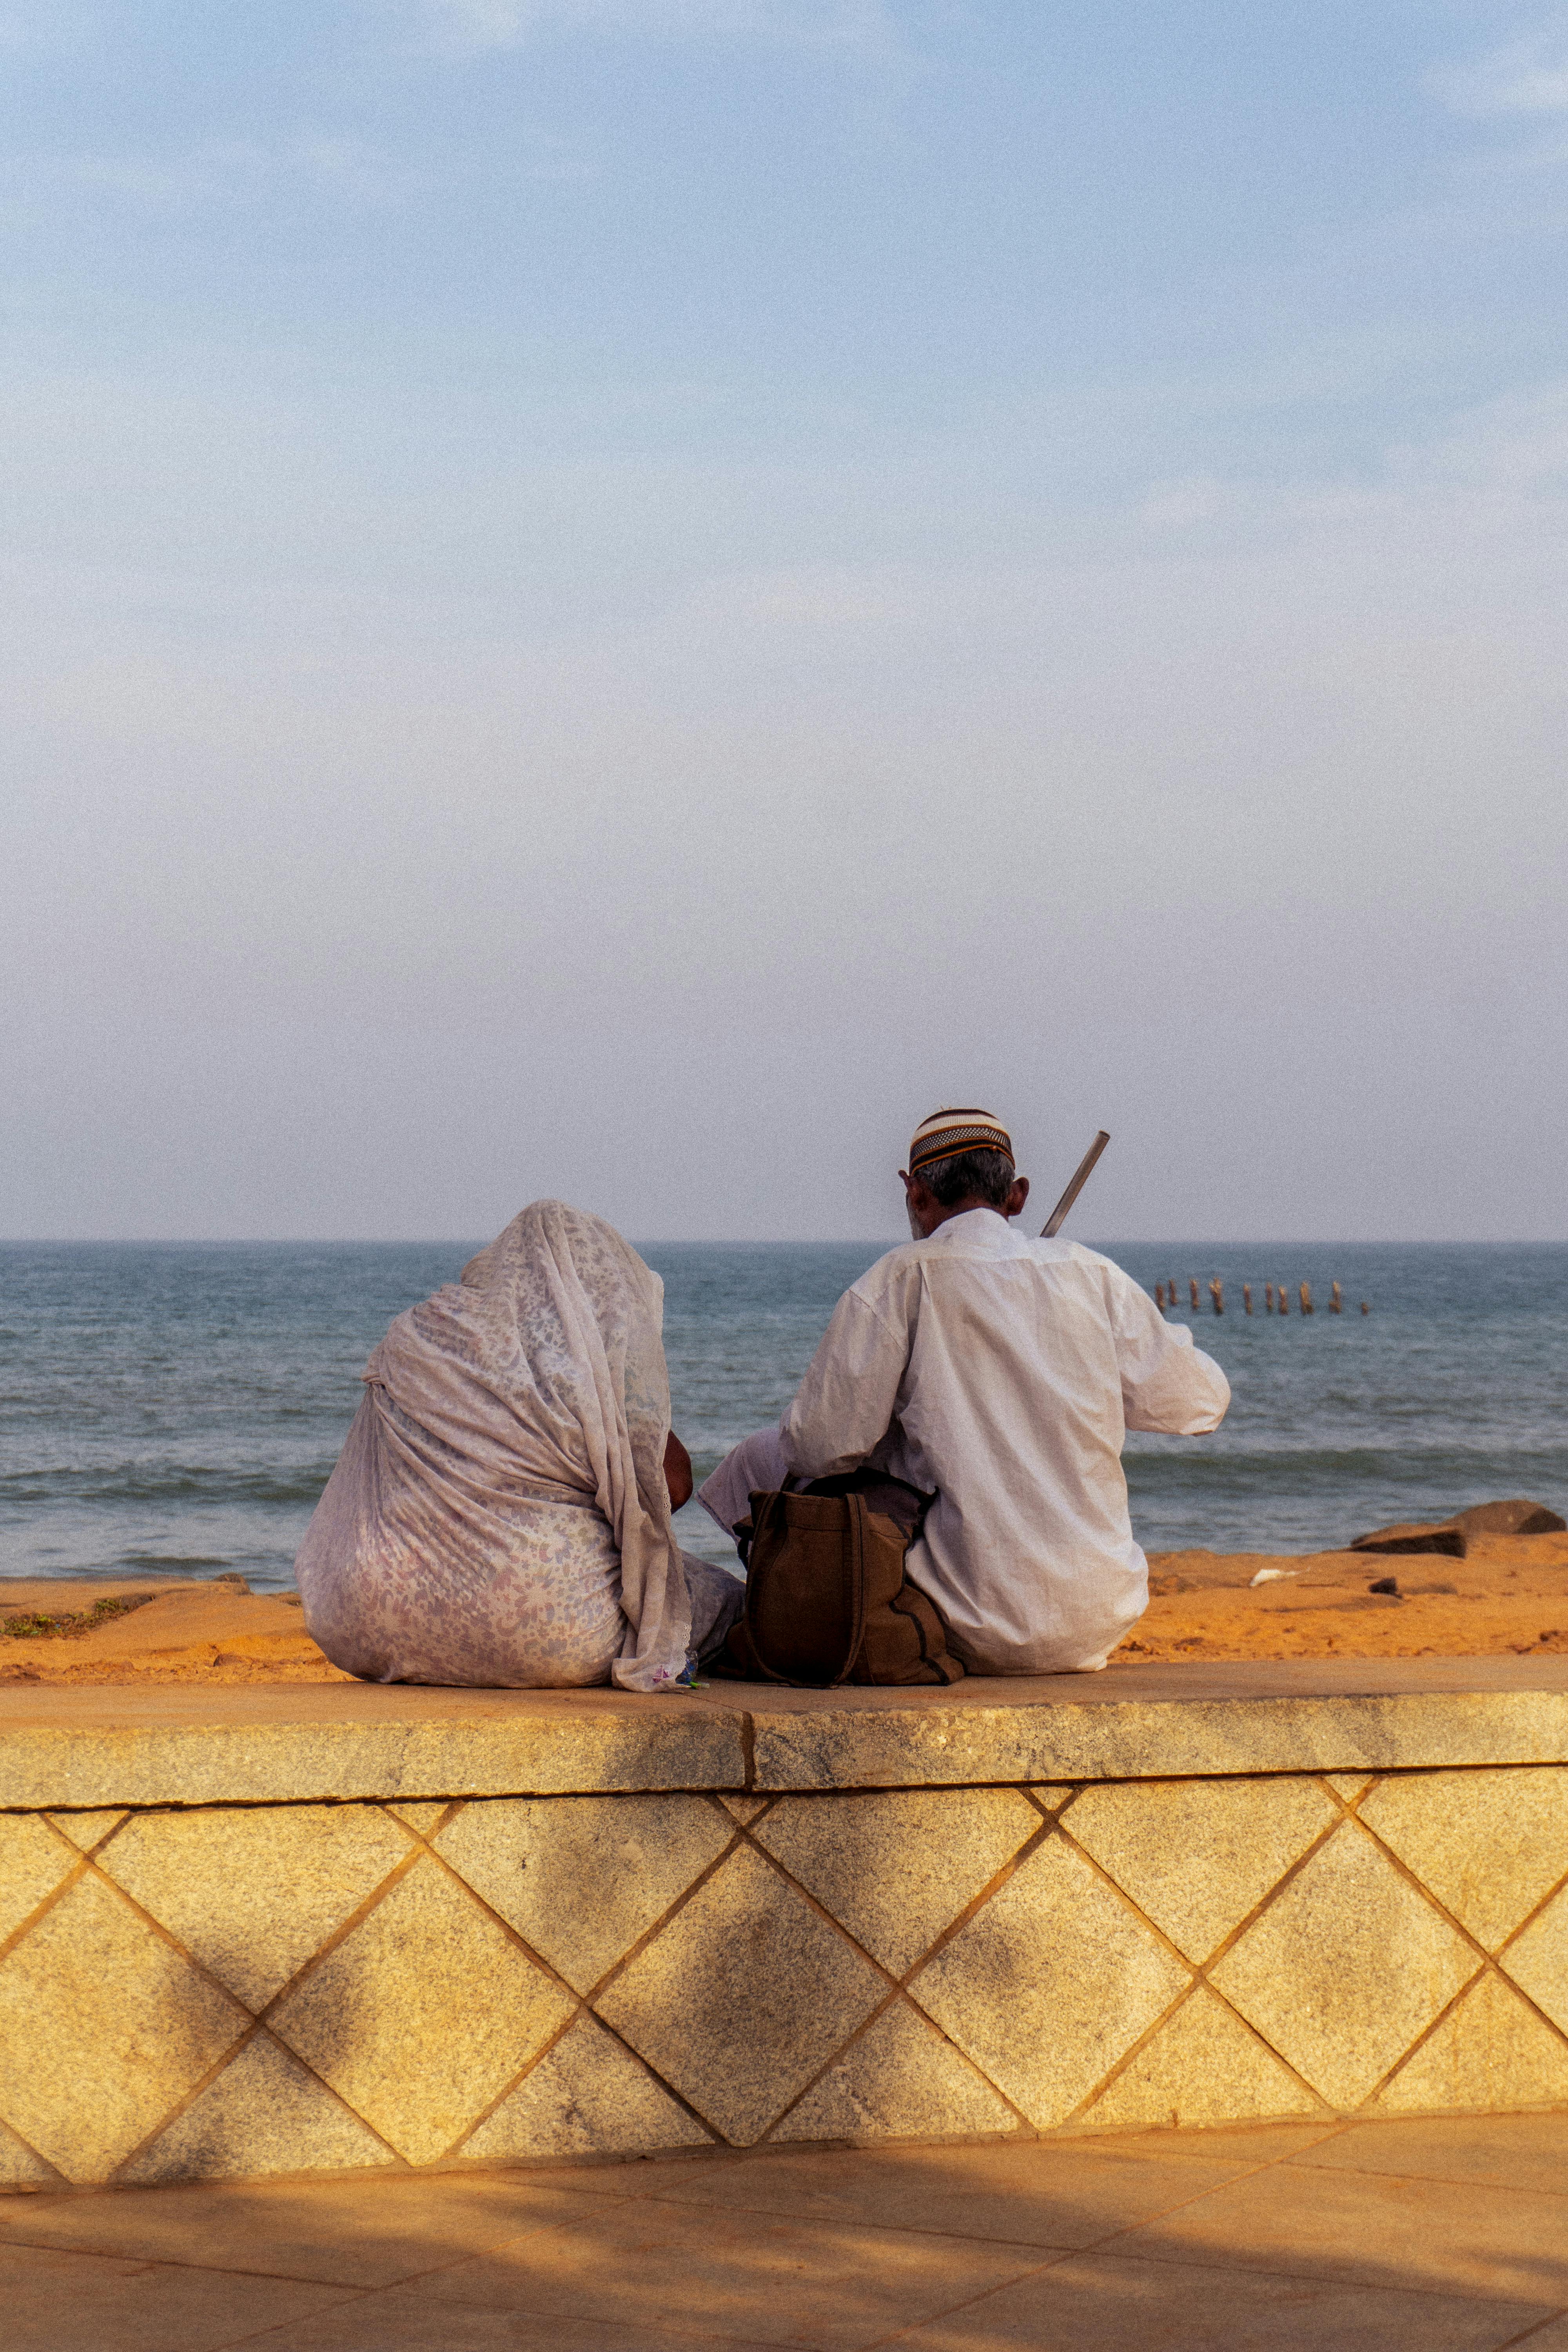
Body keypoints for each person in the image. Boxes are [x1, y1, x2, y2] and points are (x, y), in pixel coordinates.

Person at [699, 1108, 1229, 1676]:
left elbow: (819, 1447)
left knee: (760, 1457)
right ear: (1018, 1196)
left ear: (917, 1192)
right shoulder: (1092, 1275)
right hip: (1101, 1618)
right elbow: (1200, 1402)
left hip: (959, 1620)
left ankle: (790, 1619)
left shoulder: (902, 1277)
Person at [297, 1200, 742, 1690]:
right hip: (551, 1630)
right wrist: (629, 1388)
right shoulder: (579, 1364)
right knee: (718, 1599)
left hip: (365, 1617)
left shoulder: (415, 1334)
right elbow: (671, 1488)